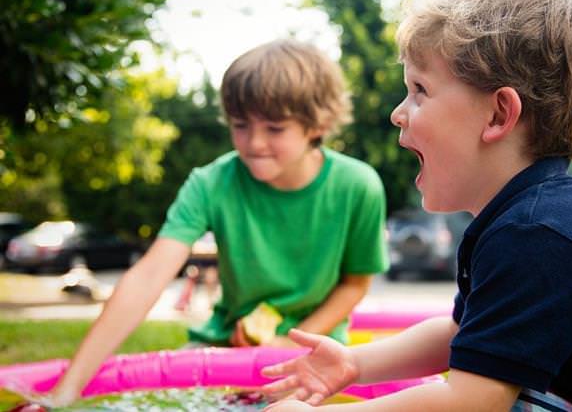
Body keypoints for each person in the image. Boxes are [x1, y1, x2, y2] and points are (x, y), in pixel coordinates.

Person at [259, 0, 572, 411]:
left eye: (420, 91)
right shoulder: (526, 219)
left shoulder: (541, 234)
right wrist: (353, 364)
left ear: (498, 114)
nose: (397, 113)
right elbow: (461, 333)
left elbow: (472, 402)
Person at [44, 39, 389, 405]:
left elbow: (355, 283)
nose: (254, 142)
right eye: (241, 125)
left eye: (274, 128)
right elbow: (148, 277)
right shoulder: (210, 183)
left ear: (317, 124)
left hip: (316, 351)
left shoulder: (358, 186)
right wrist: (66, 390)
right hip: (226, 346)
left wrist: (291, 340)